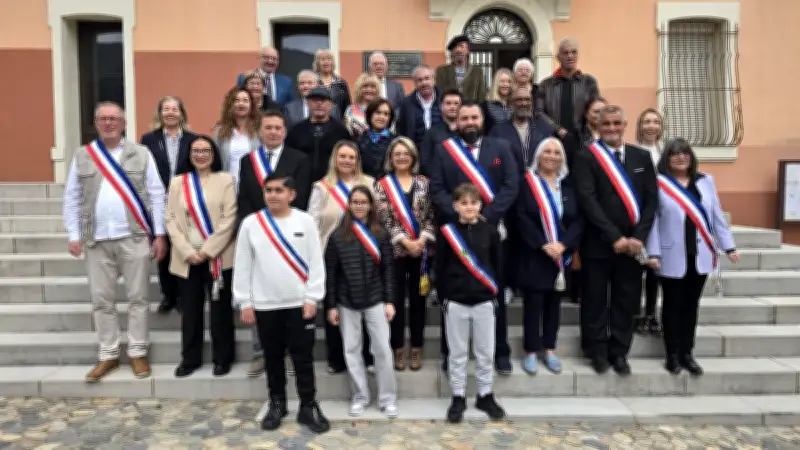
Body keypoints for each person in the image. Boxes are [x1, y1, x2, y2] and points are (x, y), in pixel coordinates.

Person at [63, 102, 167, 382]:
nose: (108, 123)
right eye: (103, 119)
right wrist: (74, 234)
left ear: (123, 123)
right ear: (96, 123)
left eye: (114, 119)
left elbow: (157, 194)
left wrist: (159, 234)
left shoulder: (141, 154)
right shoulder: (83, 155)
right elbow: (72, 197)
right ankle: (108, 354)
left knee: (138, 298)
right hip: (96, 240)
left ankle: (137, 351)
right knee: (102, 301)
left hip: (134, 237)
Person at [233, 174, 330, 434]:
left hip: (299, 304)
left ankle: (308, 405)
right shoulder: (251, 224)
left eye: (279, 190)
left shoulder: (306, 221)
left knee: (303, 358)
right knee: (273, 358)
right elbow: (242, 265)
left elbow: (315, 263)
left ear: (292, 194)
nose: (273, 195)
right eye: (269, 190)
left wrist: (312, 297)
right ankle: (277, 403)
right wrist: (245, 301)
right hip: (265, 305)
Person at [429, 103, 519, 375]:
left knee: (495, 287)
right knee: (450, 289)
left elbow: (511, 184)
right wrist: (461, 215)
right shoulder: (445, 150)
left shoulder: (500, 147)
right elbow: (438, 189)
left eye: (474, 117)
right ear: (456, 121)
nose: (469, 122)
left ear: (482, 120)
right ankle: (449, 351)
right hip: (456, 233)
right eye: (464, 118)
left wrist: (486, 216)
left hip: (491, 231)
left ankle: (500, 351)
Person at [573, 105, 658, 376]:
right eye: (605, 124)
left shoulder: (641, 157)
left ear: (624, 125)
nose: (611, 128)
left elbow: (651, 201)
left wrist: (638, 238)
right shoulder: (586, 157)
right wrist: (615, 237)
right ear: (597, 126)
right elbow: (588, 200)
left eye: (616, 123)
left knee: (626, 300)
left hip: (632, 246)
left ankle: (619, 351)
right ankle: (596, 351)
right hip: (598, 243)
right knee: (595, 299)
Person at [646, 138, 739, 376]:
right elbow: (653, 221)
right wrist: (653, 252)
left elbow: (716, 216)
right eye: (675, 153)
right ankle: (672, 355)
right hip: (670, 254)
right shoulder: (659, 183)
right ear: (666, 158)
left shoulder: (705, 181)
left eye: (685, 153)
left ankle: (688, 353)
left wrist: (729, 247)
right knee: (672, 306)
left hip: (700, 254)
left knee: (691, 306)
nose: (681, 157)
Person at [236, 110, 312, 377]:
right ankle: (261, 353)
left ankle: (290, 353)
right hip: (259, 235)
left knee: (289, 295)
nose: (273, 132)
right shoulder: (248, 161)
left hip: (290, 236)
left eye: (278, 128)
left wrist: (285, 225)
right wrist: (252, 228)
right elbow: (244, 197)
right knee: (260, 294)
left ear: (285, 132)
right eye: (268, 127)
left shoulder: (299, 159)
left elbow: (300, 197)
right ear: (260, 131)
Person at [165, 136, 237, 377]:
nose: (201, 154)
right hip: (187, 259)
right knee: (191, 312)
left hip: (218, 257)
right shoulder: (178, 182)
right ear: (188, 154)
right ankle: (190, 358)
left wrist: (207, 250)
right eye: (196, 150)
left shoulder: (225, 180)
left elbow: (229, 218)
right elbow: (171, 220)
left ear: (214, 154)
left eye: (206, 150)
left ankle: (222, 357)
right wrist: (188, 252)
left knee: (220, 311)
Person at [325, 186, 399, 418]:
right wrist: (331, 305)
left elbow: (388, 269)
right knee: (351, 349)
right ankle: (360, 396)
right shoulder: (337, 236)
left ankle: (387, 398)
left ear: (370, 205)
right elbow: (331, 273)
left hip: (376, 299)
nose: (359, 206)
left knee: (383, 350)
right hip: (347, 301)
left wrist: (390, 300)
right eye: (355, 202)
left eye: (363, 202)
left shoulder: (380, 233)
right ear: (349, 204)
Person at [436, 183, 505, 423]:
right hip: (456, 302)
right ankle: (458, 396)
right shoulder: (446, 233)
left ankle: (485, 394)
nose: (468, 207)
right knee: (457, 353)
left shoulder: (491, 232)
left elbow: (497, 267)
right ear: (455, 206)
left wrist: (495, 295)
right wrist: (445, 297)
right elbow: (440, 269)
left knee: (485, 352)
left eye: (473, 203)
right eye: (463, 203)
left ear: (480, 205)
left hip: (484, 301)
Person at [514, 138, 583, 374]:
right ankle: (531, 351)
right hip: (536, 253)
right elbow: (521, 216)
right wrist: (543, 244)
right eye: (547, 151)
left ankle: (550, 349)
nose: (551, 156)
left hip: (562, 255)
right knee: (533, 303)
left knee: (554, 304)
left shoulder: (569, 184)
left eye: (556, 152)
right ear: (538, 155)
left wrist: (564, 244)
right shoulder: (527, 183)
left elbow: (578, 219)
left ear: (562, 157)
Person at [309, 140, 376, 373]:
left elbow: (376, 218)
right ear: (335, 159)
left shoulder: (369, 183)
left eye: (352, 157)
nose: (347, 161)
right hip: (332, 256)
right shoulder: (321, 187)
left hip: (365, 255)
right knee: (334, 306)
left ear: (357, 160)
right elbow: (313, 224)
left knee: (366, 306)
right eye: (342, 156)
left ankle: (367, 357)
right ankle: (336, 358)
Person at [374, 137, 436, 371]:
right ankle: (398, 348)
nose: (402, 157)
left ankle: (417, 348)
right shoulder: (382, 184)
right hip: (395, 252)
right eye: (397, 153)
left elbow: (432, 215)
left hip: (421, 252)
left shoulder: (425, 183)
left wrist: (422, 240)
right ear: (391, 157)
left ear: (413, 157)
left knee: (419, 301)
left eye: (406, 153)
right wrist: (405, 241)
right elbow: (384, 217)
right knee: (396, 301)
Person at [140, 96, 199, 314]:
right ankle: (169, 295)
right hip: (159, 200)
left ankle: (184, 295)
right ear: (160, 113)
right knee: (163, 247)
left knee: (183, 246)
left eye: (175, 109)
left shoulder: (194, 139)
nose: (171, 113)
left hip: (186, 200)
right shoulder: (148, 140)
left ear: (182, 113)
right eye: (166, 109)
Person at [635, 108, 665, 335]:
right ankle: (636, 313)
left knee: (655, 266)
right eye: (646, 122)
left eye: (655, 122)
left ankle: (652, 313)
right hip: (641, 215)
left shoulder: (667, 152)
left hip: (662, 216)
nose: (651, 126)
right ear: (640, 126)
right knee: (638, 267)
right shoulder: (633, 152)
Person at [285, 87, 351, 184]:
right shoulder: (296, 131)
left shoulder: (341, 132)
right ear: (307, 103)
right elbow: (289, 158)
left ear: (331, 105)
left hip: (333, 185)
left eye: (323, 100)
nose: (319, 103)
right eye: (315, 100)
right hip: (302, 184)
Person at [212, 86, 260, 188]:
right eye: (236, 100)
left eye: (245, 100)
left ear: (251, 105)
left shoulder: (259, 131)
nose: (241, 104)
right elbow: (214, 160)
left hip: (252, 187)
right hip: (227, 187)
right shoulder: (220, 131)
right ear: (231, 104)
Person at [396, 65, 443, 152]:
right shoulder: (406, 104)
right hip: (416, 153)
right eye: (419, 80)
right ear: (414, 82)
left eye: (427, 78)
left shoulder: (444, 100)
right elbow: (401, 129)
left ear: (434, 80)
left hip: (442, 152)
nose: (424, 83)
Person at [418, 89, 462, 177]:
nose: (453, 107)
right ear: (441, 106)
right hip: (439, 184)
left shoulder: (467, 132)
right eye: (448, 103)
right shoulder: (431, 133)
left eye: (456, 103)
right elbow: (425, 162)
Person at [435, 35, 487, 103]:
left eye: (461, 46)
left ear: (468, 50)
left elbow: (481, 97)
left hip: (470, 111)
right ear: (452, 52)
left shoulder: (477, 71)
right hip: (449, 111)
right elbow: (438, 95)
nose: (458, 50)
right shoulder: (441, 71)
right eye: (455, 47)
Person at [356, 99, 396, 179]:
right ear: (370, 114)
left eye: (386, 114)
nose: (382, 117)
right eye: (378, 112)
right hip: (364, 186)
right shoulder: (358, 140)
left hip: (389, 187)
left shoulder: (396, 142)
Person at [314, 49, 351, 121]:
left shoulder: (341, 83)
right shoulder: (313, 82)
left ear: (332, 63)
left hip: (338, 124)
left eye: (329, 59)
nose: (326, 62)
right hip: (317, 123)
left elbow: (348, 108)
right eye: (322, 59)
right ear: (317, 63)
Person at [481, 69, 513, 134]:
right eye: (502, 81)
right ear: (496, 83)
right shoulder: (485, 106)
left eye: (509, 82)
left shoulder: (516, 105)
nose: (506, 85)